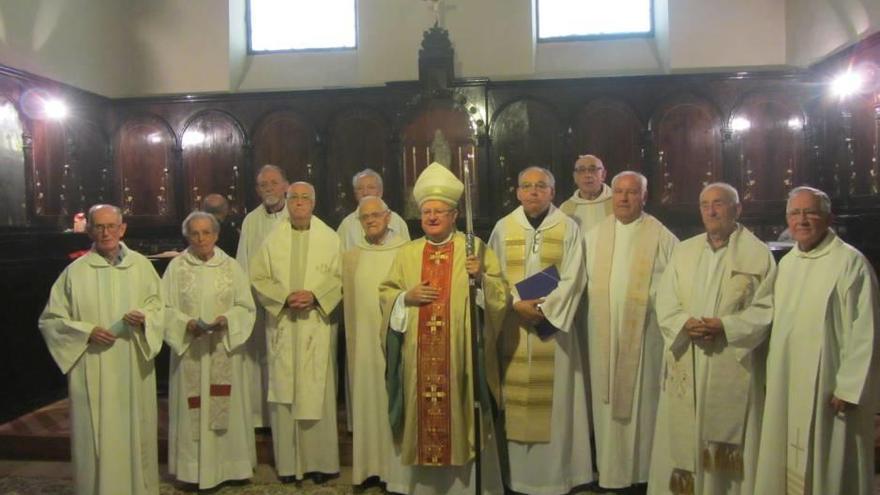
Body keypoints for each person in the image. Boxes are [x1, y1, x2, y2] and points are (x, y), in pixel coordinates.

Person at [379, 162, 508, 494]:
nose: (432, 217)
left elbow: (500, 297)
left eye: (439, 211)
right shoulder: (408, 253)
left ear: (454, 215)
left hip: (460, 360)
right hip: (417, 362)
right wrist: (405, 297)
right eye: (426, 212)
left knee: (460, 412)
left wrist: (480, 279)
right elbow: (386, 294)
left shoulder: (474, 248)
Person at [648, 183, 775, 495]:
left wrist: (726, 326)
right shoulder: (685, 250)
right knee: (683, 434)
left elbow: (766, 309)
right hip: (687, 355)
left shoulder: (757, 255)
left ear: (737, 209)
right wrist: (683, 323)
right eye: (705, 204)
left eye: (719, 203)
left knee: (726, 445)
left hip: (729, 357)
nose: (711, 210)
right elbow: (664, 299)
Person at [754, 186, 879, 495]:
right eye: (795, 213)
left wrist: (849, 387)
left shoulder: (850, 263)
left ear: (828, 217)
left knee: (832, 464)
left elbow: (867, 330)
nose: (802, 220)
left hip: (830, 388)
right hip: (788, 383)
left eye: (810, 212)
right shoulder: (787, 264)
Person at [38, 204, 164, 495]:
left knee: (135, 433)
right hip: (91, 366)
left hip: (133, 363)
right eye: (99, 226)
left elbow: (161, 308)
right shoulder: (74, 272)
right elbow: (51, 320)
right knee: (96, 436)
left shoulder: (142, 267)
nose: (106, 232)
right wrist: (86, 331)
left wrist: (146, 318)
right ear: (90, 230)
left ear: (122, 229)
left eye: (112, 226)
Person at [488, 167, 593, 494]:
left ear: (552, 191)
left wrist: (544, 312)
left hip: (554, 334)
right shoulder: (503, 228)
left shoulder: (568, 227)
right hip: (514, 330)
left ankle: (556, 478)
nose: (533, 192)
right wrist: (516, 303)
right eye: (527, 186)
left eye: (541, 186)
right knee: (515, 403)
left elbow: (574, 277)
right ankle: (517, 480)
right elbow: (493, 277)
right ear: (517, 192)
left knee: (557, 406)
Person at [584, 171, 678, 491]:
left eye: (632, 192)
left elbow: (678, 286)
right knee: (606, 406)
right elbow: (570, 279)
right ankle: (610, 473)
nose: (624, 198)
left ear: (644, 197)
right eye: (619, 192)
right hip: (603, 340)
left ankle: (643, 473)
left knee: (644, 403)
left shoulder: (662, 237)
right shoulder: (594, 235)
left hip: (646, 338)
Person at [249, 181, 343, 484]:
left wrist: (316, 296)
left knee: (318, 394)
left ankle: (321, 463)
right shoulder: (271, 239)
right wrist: (284, 297)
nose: (300, 202)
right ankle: (289, 466)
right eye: (294, 197)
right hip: (284, 325)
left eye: (305, 198)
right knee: (286, 395)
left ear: (314, 203)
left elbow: (341, 276)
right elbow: (258, 276)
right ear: (287, 202)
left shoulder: (330, 238)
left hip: (316, 324)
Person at [163, 211, 257, 490]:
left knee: (225, 407)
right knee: (193, 411)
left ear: (216, 235)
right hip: (190, 350)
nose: (201, 238)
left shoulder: (231, 267)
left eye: (207, 232)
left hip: (222, 349)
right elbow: (163, 309)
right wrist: (186, 323)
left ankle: (230, 467)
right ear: (187, 236)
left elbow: (246, 307)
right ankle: (192, 470)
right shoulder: (177, 268)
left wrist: (227, 320)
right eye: (195, 233)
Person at [341, 196, 408, 487]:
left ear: (388, 216)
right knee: (369, 401)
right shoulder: (352, 256)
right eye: (364, 217)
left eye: (375, 215)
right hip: (365, 347)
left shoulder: (406, 251)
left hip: (397, 343)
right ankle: (370, 468)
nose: (370, 220)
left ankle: (398, 472)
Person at [236, 164, 289, 428]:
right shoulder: (251, 220)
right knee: (259, 358)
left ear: (286, 186)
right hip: (258, 300)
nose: (269, 188)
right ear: (258, 191)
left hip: (290, 303)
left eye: (274, 183)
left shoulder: (298, 215)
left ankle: (284, 417)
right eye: (263, 185)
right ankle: (261, 419)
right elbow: (243, 261)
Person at [337, 168, 410, 251]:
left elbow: (407, 253)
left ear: (380, 191)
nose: (365, 193)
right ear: (355, 194)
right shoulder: (347, 225)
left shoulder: (396, 220)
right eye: (360, 188)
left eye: (371, 187)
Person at [560, 154, 612, 231]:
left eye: (593, 169)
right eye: (581, 170)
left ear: (603, 175)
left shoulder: (618, 203)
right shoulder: (565, 209)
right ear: (575, 177)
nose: (587, 175)